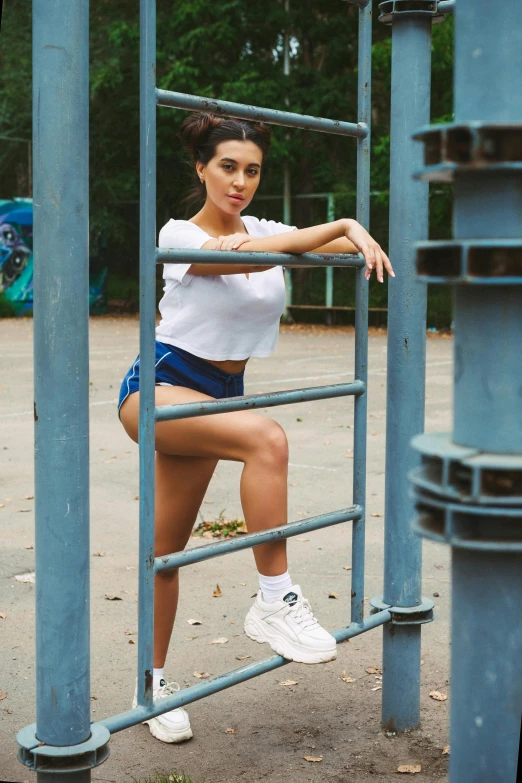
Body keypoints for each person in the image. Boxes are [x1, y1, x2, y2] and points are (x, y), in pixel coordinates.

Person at [119, 111, 394, 744]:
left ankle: (149, 685)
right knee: (267, 439)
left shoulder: (262, 226)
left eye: (252, 170)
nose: (240, 181)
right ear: (201, 168)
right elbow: (257, 256)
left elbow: (307, 244)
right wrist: (346, 222)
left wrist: (350, 237)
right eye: (228, 167)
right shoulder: (179, 233)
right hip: (160, 384)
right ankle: (275, 599)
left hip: (219, 392)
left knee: (165, 550)